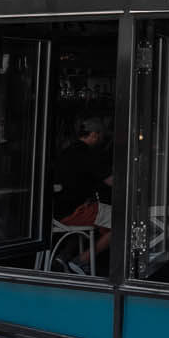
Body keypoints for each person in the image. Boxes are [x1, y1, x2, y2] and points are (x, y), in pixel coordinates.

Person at [55, 116, 114, 272]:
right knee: (124, 223)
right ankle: (82, 260)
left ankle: (63, 256)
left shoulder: (67, 151)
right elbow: (111, 181)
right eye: (102, 136)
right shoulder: (89, 154)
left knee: (93, 219)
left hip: (58, 211)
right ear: (94, 135)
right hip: (76, 210)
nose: (103, 140)